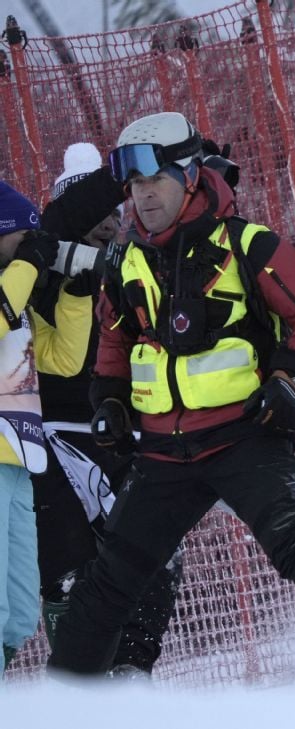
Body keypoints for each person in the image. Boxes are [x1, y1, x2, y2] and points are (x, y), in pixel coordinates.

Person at [45, 111, 295, 690]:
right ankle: (64, 699)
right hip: (164, 451)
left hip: (244, 434)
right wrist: (110, 397)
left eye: (154, 181)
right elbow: (116, 335)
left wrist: (288, 379)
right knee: (114, 575)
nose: (142, 196)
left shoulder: (248, 245)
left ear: (188, 176)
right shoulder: (129, 260)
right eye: (133, 185)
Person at [32, 142, 183, 679]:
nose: (105, 224)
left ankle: (132, 674)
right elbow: (58, 222)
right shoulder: (42, 261)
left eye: (113, 215)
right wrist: (123, 169)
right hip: (53, 435)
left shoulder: (133, 265)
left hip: (125, 430)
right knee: (72, 569)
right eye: (94, 213)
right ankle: (76, 686)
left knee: (157, 549)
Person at [0, 180, 60, 675]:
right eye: (21, 236)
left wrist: (76, 296)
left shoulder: (14, 298)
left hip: (18, 457)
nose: (29, 246)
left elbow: (62, 357)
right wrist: (29, 265)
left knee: (19, 615)